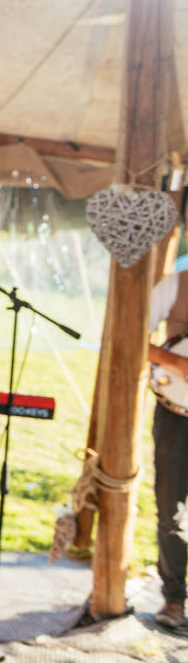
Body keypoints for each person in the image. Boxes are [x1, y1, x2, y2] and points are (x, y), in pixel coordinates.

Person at [146, 266, 188, 628]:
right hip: (175, 414)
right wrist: (177, 362)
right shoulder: (175, 285)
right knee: (169, 508)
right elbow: (131, 337)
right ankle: (174, 599)